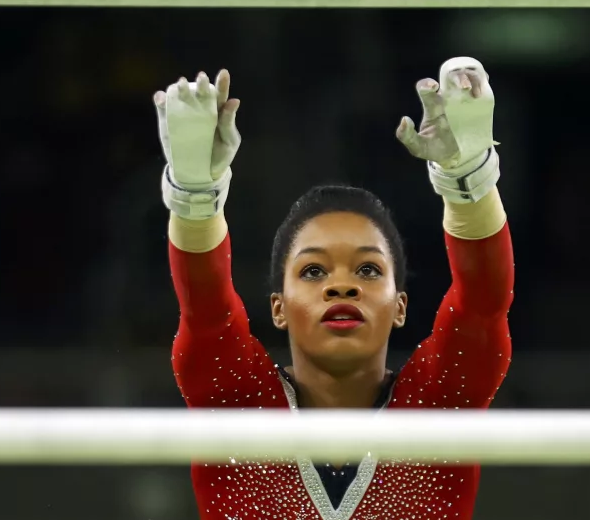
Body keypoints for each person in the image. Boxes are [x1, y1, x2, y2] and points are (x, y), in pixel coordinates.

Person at [156, 57, 514, 520]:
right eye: (313, 272)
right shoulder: (237, 402)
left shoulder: (438, 405)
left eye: (367, 270)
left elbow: (482, 303)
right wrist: (193, 194)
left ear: (400, 305)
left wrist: (470, 178)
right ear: (278, 307)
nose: (341, 286)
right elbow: (206, 312)